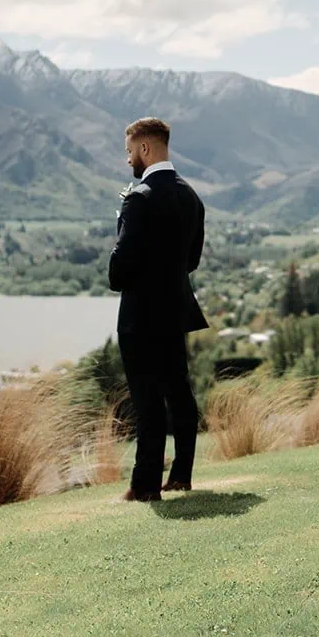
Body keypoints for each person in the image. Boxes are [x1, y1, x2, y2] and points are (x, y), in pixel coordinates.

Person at [108, 117, 210, 502]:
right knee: (179, 392)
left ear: (145, 148)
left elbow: (118, 270)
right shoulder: (191, 197)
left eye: (129, 151)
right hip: (175, 311)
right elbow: (191, 260)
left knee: (146, 399)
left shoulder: (140, 198)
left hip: (140, 317)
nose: (128, 159)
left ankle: (145, 485)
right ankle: (181, 474)